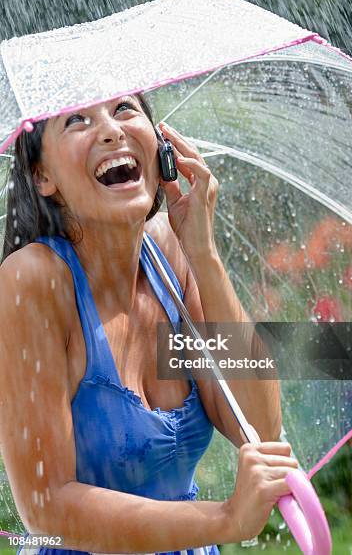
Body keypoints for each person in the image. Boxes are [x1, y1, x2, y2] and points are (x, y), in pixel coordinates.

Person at [0, 92, 297, 554]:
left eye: (124, 109)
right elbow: (47, 508)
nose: (111, 129)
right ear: (42, 175)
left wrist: (204, 253)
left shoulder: (169, 260)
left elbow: (256, 427)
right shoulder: (33, 282)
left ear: (162, 150)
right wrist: (223, 518)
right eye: (76, 120)